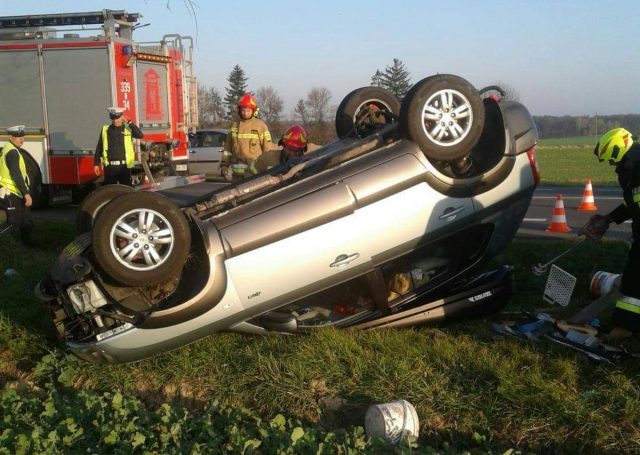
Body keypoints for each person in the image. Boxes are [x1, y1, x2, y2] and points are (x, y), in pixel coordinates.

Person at [581, 128, 640, 339]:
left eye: (613, 162)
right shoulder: (634, 169)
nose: (613, 168)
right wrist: (607, 220)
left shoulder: (637, 171)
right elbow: (632, 204)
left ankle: (623, 330)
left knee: (633, 284)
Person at [220, 94, 272, 181]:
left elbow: (268, 149)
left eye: (248, 110)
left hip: (254, 174)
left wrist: (268, 169)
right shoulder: (234, 126)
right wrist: (224, 164)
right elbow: (227, 148)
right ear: (239, 110)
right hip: (236, 176)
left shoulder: (260, 126)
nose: (245, 113)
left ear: (253, 111)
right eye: (243, 110)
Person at [0, 125, 35, 246]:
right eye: (17, 137)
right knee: (13, 223)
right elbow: (16, 174)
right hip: (10, 193)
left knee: (26, 221)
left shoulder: (13, 150)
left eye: (22, 136)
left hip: (17, 192)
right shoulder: (11, 152)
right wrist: (26, 193)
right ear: (11, 137)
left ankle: (28, 246)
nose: (21, 139)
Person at [94, 107, 144, 186]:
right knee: (110, 191)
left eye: (117, 118)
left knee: (127, 192)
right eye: (112, 118)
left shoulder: (128, 129)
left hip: (124, 167)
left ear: (122, 117)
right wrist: (96, 164)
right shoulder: (105, 129)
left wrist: (130, 123)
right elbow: (100, 146)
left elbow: (140, 135)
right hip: (110, 168)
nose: (115, 120)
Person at [252, 124, 320, 174]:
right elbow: (250, 174)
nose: (292, 154)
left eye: (296, 151)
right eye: (289, 149)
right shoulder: (268, 158)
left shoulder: (311, 156)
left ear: (303, 149)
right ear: (283, 145)